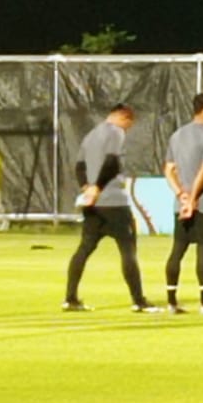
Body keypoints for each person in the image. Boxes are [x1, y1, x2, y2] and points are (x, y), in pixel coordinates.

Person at [63, 103, 157, 312]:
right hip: (113, 201)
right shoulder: (115, 132)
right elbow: (112, 162)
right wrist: (97, 187)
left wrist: (86, 187)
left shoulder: (91, 134)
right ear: (124, 117)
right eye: (128, 124)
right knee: (128, 250)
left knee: (84, 249)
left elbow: (79, 166)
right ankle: (138, 300)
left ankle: (70, 298)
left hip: (93, 205)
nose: (127, 129)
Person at [161, 93, 203, 314]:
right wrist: (194, 198)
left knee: (177, 250)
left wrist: (181, 195)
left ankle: (171, 302)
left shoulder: (177, 136)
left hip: (181, 203)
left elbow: (168, 170)